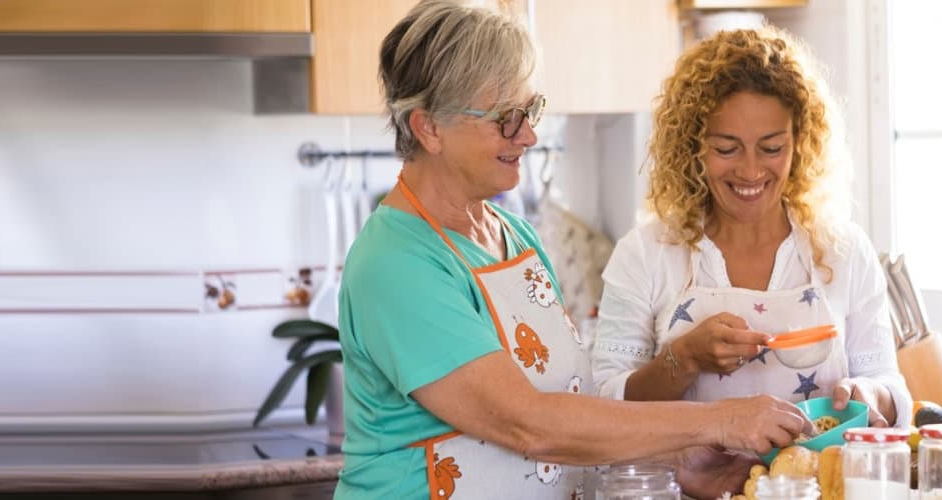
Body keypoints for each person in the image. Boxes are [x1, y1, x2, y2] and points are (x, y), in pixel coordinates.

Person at [335, 3, 809, 499]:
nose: (529, 135)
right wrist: (718, 421)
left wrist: (678, 464)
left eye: (530, 110)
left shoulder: (515, 237)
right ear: (428, 127)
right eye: (506, 119)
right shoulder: (397, 264)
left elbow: (571, 411)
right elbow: (530, 425)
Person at [592, 28, 913, 430]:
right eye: (726, 148)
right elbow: (603, 402)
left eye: (772, 147)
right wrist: (685, 359)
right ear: (693, 146)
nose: (750, 170)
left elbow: (889, 384)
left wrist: (870, 395)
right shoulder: (646, 252)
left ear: (800, 141)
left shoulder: (843, 250)